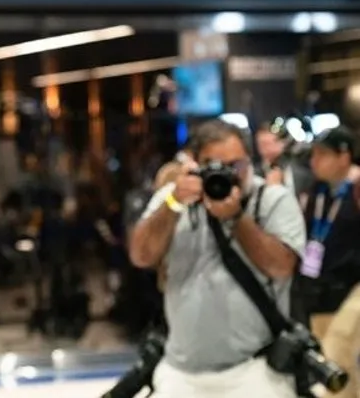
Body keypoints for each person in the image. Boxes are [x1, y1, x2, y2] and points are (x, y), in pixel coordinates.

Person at [129, 119, 306, 398]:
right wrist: (173, 204)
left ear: (250, 161)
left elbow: (282, 267)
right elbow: (141, 255)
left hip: (255, 373)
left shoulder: (273, 200)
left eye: (236, 166)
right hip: (182, 375)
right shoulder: (173, 199)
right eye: (216, 167)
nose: (229, 175)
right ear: (194, 164)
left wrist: (237, 218)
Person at [293, 127, 360, 397]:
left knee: (335, 356)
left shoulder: (356, 190)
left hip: (354, 288)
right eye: (314, 155)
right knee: (330, 365)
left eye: (323, 155)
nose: (315, 161)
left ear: (344, 156)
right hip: (319, 290)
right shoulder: (314, 192)